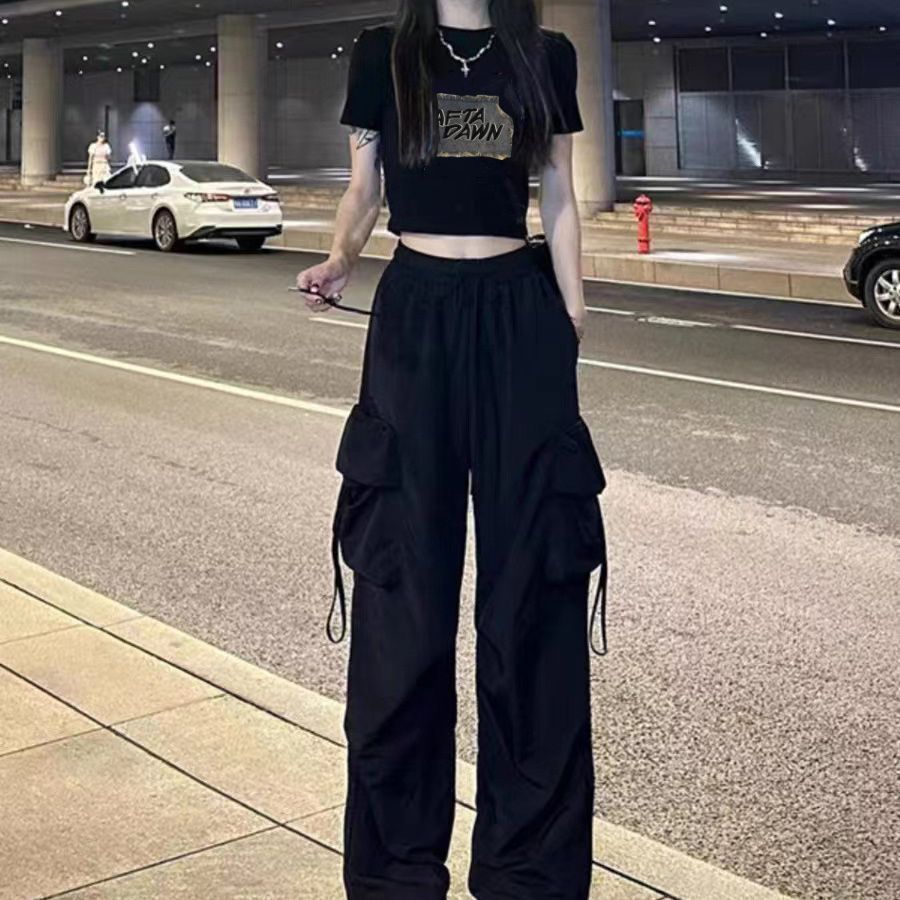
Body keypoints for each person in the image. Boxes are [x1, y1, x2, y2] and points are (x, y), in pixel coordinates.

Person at [296, 0, 608, 897]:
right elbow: (365, 189)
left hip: (520, 316)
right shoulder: (384, 55)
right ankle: (396, 873)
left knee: (534, 603)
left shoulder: (544, 54)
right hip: (416, 317)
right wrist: (341, 258)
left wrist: (570, 315)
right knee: (402, 605)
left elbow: (558, 190)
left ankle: (529, 875)